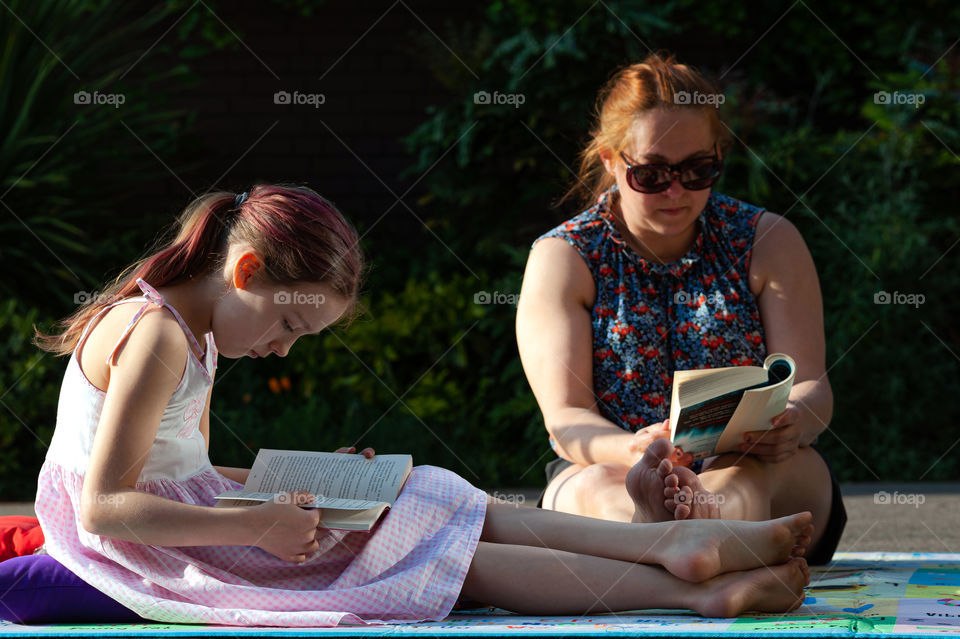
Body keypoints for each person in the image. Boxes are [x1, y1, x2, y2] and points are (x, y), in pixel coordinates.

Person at [34, 184, 814, 628]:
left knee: (430, 490)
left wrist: (305, 482)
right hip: (134, 552)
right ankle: (687, 585)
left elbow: (189, 474)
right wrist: (255, 524)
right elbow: (106, 507)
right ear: (244, 271)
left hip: (183, 521)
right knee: (424, 550)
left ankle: (677, 544)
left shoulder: (195, 334)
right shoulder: (158, 338)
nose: (282, 348)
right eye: (289, 324)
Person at [516, 53, 847, 565]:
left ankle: (686, 539)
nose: (676, 191)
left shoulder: (768, 239)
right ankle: (710, 549)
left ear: (719, 154)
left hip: (754, 461)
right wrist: (635, 450)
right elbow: (567, 423)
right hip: (613, 458)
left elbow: (812, 385)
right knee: (600, 489)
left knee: (740, 477)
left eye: (698, 169)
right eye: (652, 173)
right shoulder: (564, 256)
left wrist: (791, 421)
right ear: (610, 160)